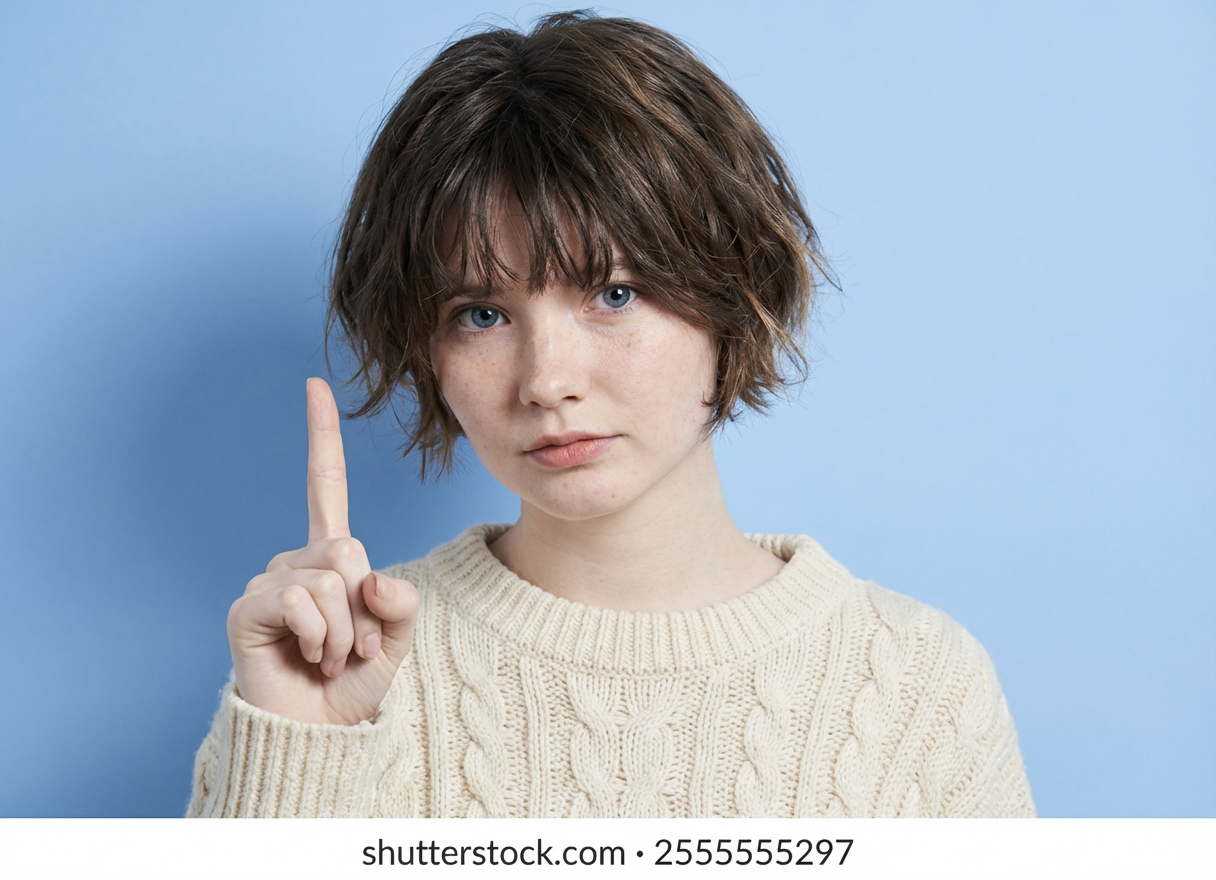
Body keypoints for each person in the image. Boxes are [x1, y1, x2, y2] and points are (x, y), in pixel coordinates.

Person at [188, 10, 1034, 818]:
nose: (546, 381)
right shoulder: (339, 662)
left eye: (615, 293)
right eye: (481, 315)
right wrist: (296, 761)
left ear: (731, 291)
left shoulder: (920, 684)